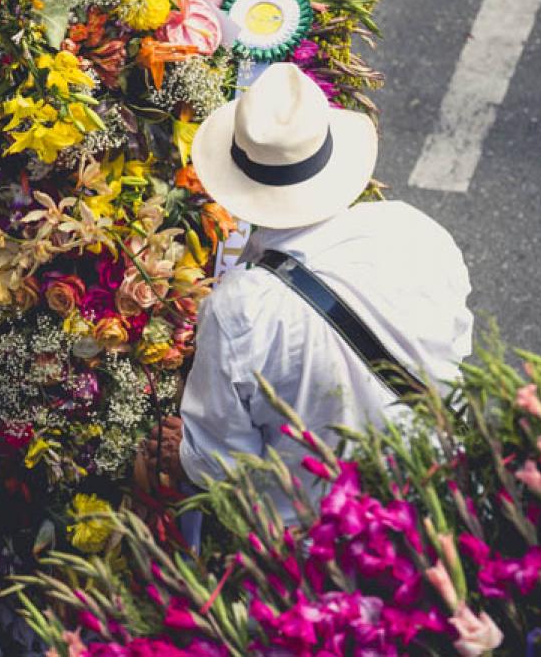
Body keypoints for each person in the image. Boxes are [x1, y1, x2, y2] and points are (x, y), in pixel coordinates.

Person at [146, 63, 473, 525]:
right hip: (444, 489)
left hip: (331, 535)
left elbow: (227, 467)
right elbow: (456, 347)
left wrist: (183, 453)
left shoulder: (239, 309)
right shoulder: (416, 231)